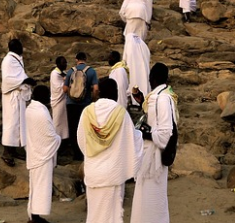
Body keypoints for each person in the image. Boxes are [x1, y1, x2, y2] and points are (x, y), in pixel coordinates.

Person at [77, 77, 143, 223]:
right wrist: (141, 134)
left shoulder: (87, 112)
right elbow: (132, 140)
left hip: (94, 172)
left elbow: (81, 141)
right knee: (112, 216)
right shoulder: (121, 113)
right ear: (116, 92)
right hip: (113, 173)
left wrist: (93, 155)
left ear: (99, 92)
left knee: (94, 215)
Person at [130, 63, 176, 223]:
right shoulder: (161, 96)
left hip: (154, 158)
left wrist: (144, 133)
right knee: (147, 197)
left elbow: (165, 133)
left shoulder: (162, 99)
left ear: (152, 78)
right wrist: (142, 100)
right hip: (150, 155)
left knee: (152, 199)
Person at [26, 85, 60, 223]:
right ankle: (36, 217)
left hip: (34, 151)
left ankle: (34, 215)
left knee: (35, 186)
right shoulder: (41, 112)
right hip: (42, 155)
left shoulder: (30, 109)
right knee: (41, 187)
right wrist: (57, 138)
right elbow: (50, 136)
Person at [1, 39, 36, 166]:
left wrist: (27, 81)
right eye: (20, 46)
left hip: (18, 96)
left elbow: (19, 75)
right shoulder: (8, 60)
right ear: (16, 47)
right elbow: (7, 80)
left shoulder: (17, 59)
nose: (22, 48)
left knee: (18, 123)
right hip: (12, 97)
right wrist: (24, 81)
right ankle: (6, 152)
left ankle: (14, 149)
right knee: (11, 123)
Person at [65, 52, 99, 161]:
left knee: (73, 128)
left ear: (76, 59)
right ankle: (84, 152)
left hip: (71, 104)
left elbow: (64, 89)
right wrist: (93, 99)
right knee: (85, 128)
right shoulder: (91, 71)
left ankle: (76, 154)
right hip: (85, 104)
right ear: (85, 59)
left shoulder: (71, 71)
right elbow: (96, 89)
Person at [123, 33, 152, 99]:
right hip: (144, 71)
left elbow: (125, 59)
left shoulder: (129, 44)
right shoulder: (143, 45)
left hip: (133, 70)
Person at [50, 56, 69, 140]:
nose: (65, 64)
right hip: (57, 101)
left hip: (63, 101)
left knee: (64, 122)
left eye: (66, 62)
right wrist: (65, 82)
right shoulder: (54, 74)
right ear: (58, 64)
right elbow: (58, 88)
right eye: (63, 63)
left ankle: (64, 139)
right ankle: (56, 140)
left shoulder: (63, 73)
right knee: (57, 122)